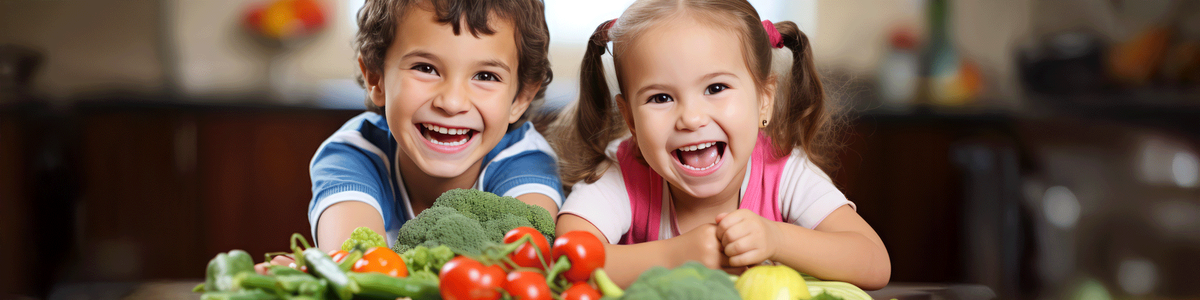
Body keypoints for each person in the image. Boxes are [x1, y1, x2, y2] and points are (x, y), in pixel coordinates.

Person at [554, 0, 890, 289]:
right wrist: (673, 256)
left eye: (716, 88)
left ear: (764, 100)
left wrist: (776, 239)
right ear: (630, 120)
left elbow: (874, 262)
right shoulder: (623, 173)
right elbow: (565, 259)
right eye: (660, 97)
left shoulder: (783, 170)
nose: (691, 118)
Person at [308, 0, 561, 253]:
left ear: (521, 98)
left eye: (485, 76)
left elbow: (526, 259)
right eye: (425, 68)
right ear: (376, 78)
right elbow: (354, 265)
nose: (452, 103)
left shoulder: (527, 161)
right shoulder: (353, 156)